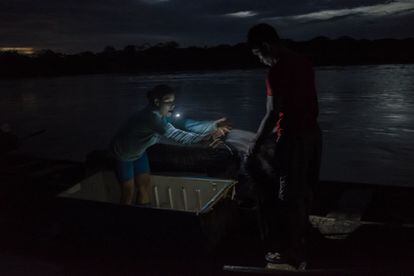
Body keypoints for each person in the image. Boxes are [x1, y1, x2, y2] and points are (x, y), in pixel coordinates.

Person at [246, 23, 322, 268]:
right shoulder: (303, 61)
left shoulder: (276, 71)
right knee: (305, 190)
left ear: (266, 47)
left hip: (293, 137)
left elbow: (271, 114)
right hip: (314, 134)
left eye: (259, 54)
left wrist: (255, 144)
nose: (261, 61)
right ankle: (303, 240)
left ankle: (292, 252)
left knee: (287, 196)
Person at [109, 84, 231, 205]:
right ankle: (124, 220)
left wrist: (214, 125)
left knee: (143, 187)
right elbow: (177, 136)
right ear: (157, 102)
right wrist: (206, 139)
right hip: (123, 153)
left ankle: (143, 216)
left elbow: (186, 124)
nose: (172, 105)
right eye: (168, 102)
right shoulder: (151, 118)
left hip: (139, 152)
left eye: (173, 102)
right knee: (128, 192)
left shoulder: (161, 116)